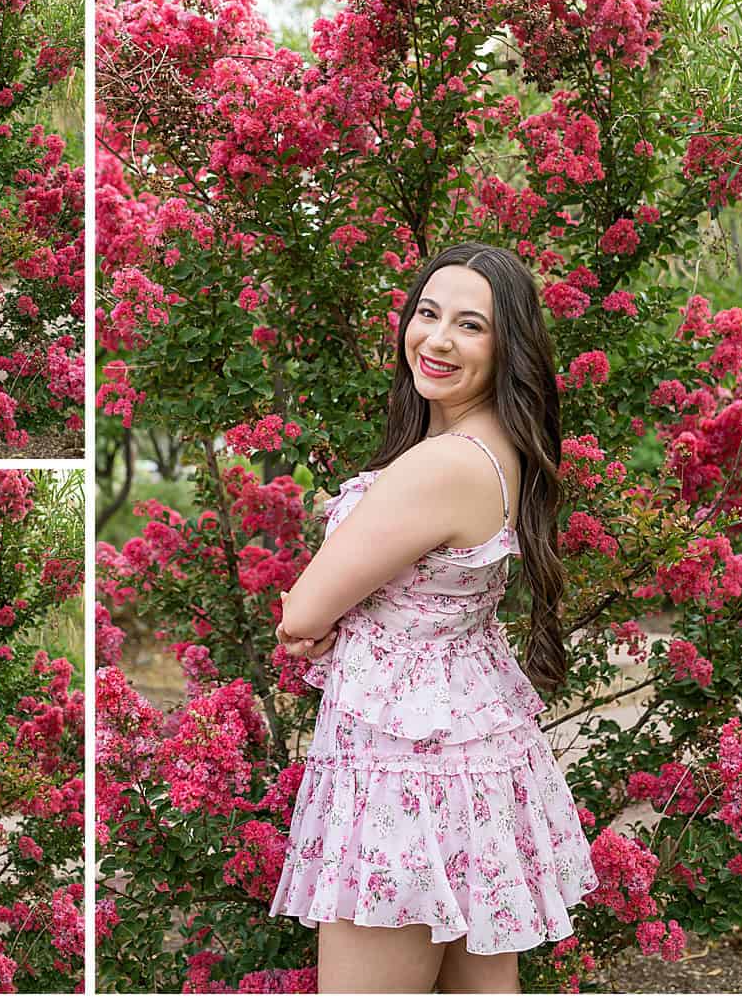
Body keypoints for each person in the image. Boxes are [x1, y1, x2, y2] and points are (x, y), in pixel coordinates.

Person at [268, 242, 598, 992]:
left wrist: (323, 615)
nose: (438, 339)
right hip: (462, 747)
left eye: (470, 325)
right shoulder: (494, 449)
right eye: (427, 313)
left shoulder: (443, 463)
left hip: (405, 765)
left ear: (508, 345)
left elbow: (305, 609)